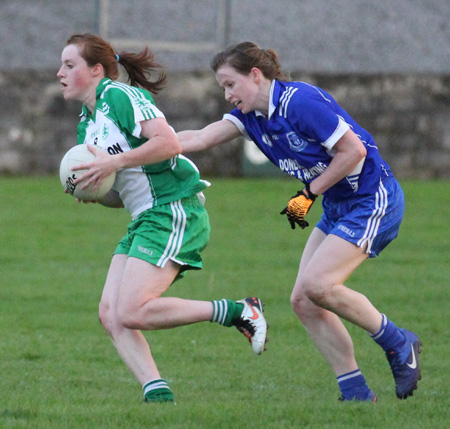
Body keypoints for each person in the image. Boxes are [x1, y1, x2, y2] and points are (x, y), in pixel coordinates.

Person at [178, 41, 422, 401]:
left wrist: (308, 194)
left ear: (256, 75)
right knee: (304, 300)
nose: (227, 94)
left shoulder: (299, 101)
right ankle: (354, 392)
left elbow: (352, 150)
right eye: (222, 88)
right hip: (340, 205)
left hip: (373, 198)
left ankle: (398, 341)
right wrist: (139, 147)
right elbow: (197, 138)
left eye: (230, 84)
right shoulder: (251, 117)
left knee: (319, 285)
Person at [56, 34, 268, 403]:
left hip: (174, 207)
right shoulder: (86, 124)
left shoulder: (121, 97)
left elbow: (168, 143)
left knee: (132, 309)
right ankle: (158, 395)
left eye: (69, 65)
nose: (59, 73)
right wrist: (92, 191)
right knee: (111, 313)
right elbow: (120, 196)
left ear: (95, 70)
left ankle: (238, 311)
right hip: (145, 216)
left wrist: (113, 162)